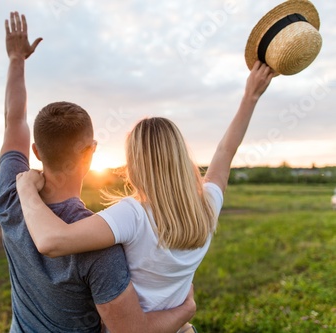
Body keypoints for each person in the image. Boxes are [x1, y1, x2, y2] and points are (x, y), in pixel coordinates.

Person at [16, 61, 275, 331]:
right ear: (180, 157)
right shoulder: (208, 204)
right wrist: (250, 97)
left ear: (135, 165)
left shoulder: (133, 215)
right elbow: (226, 150)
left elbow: (51, 241)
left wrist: (24, 188)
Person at [0, 11, 196, 332]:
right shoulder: (97, 243)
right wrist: (186, 310)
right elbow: (130, 331)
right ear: (91, 152)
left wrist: (17, 58)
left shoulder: (10, 193)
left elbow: (14, 119)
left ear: (35, 152)